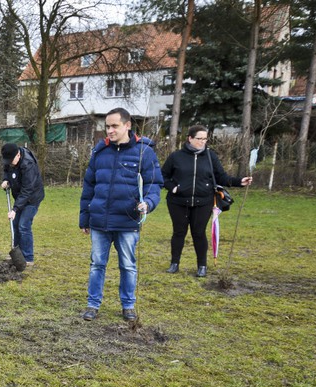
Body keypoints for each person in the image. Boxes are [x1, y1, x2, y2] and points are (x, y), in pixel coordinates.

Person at [79, 107, 163, 322]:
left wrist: (149, 203)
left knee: (127, 265)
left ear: (127, 125)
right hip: (99, 221)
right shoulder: (100, 152)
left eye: (114, 126)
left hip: (127, 221)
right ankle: (92, 304)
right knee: (97, 264)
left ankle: (128, 305)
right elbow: (88, 187)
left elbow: (154, 184)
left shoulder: (144, 152)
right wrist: (84, 218)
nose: (110, 130)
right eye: (107, 126)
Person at [161, 124, 253, 277]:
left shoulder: (211, 156)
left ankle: (202, 266)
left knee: (199, 233)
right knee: (179, 232)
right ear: (190, 138)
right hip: (178, 202)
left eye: (205, 139)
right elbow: (163, 176)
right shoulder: (176, 156)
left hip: (203, 202)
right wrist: (173, 188)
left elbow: (221, 177)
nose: (202, 142)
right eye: (199, 139)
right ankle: (174, 263)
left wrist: (239, 182)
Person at [0, 143, 45, 266]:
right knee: (15, 224)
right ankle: (18, 255)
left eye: (11, 160)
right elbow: (6, 170)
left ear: (18, 155)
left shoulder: (28, 164)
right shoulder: (10, 158)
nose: (9, 163)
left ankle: (28, 257)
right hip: (20, 196)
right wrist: (5, 180)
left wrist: (15, 209)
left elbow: (27, 190)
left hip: (32, 197)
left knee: (24, 225)